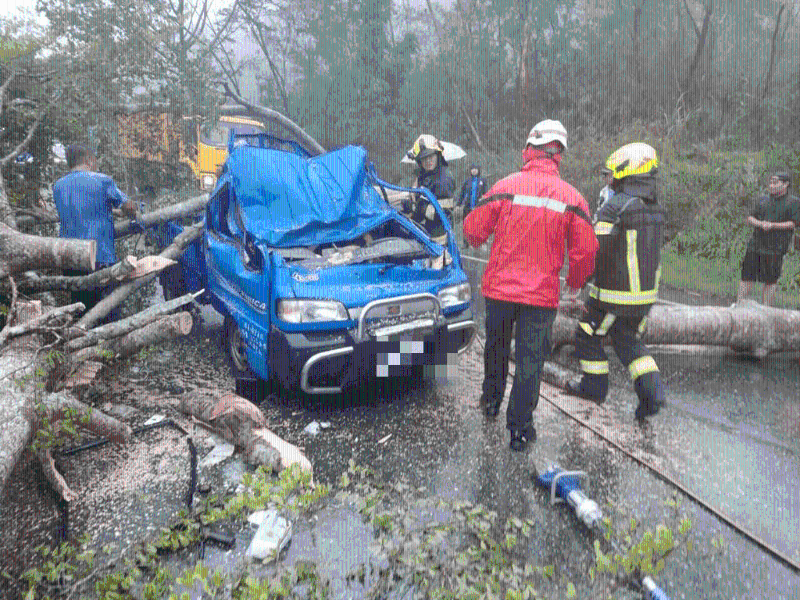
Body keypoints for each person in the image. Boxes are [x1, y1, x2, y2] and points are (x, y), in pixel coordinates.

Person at [463, 119, 597, 451]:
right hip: (540, 297)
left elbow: (473, 230)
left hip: (499, 291)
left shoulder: (505, 186)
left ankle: (491, 402)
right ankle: (520, 430)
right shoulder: (573, 199)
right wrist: (576, 283)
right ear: (559, 154)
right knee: (529, 360)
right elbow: (585, 252)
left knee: (495, 348)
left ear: (529, 149)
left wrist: (476, 238)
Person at [565, 142, 667, 420]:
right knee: (628, 341)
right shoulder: (655, 207)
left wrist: (578, 282)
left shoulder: (615, 207)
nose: (608, 179)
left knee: (586, 336)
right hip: (645, 295)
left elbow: (595, 249)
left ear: (627, 172)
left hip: (613, 294)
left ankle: (593, 388)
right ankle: (653, 394)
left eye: (611, 173)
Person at [53, 144, 141, 319]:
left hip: (70, 258)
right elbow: (128, 207)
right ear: (89, 160)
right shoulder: (102, 180)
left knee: (80, 309)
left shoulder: (58, 186)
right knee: (107, 311)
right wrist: (133, 214)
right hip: (100, 257)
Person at [735, 171, 800, 306]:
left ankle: (766, 310)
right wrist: (760, 223)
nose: (771, 185)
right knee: (747, 276)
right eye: (770, 182)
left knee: (770, 280)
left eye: (775, 182)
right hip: (756, 244)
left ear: (786, 184)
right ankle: (738, 305)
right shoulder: (762, 199)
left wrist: (772, 225)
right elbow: (750, 217)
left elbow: (793, 224)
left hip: (776, 247)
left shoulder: (794, 202)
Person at [405, 134, 455, 240]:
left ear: (437, 155)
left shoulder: (443, 180)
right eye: (424, 158)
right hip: (428, 231)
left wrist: (417, 206)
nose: (428, 161)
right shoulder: (428, 175)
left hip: (439, 239)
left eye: (430, 156)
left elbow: (443, 214)